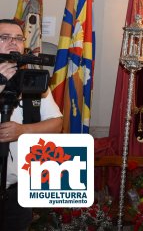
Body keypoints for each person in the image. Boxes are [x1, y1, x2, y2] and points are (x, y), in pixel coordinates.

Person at [0, 18, 63, 231]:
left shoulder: (33, 80)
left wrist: (22, 131)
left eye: (18, 38)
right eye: (4, 37)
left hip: (18, 191)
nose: (13, 42)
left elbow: (57, 124)